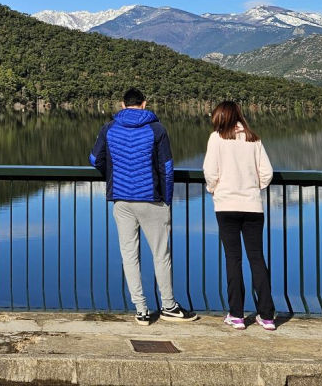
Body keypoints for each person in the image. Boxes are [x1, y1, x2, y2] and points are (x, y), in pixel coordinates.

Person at [90, 88, 197, 324]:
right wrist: (166, 200)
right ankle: (168, 305)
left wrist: (111, 176)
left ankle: (141, 310)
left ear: (122, 104)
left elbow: (95, 159)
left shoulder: (109, 128)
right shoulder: (156, 129)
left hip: (122, 200)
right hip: (151, 200)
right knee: (161, 255)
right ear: (144, 103)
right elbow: (167, 168)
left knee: (129, 255)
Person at [204, 100, 276, 330]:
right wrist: (254, 188)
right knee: (256, 258)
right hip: (252, 206)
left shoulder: (216, 139)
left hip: (226, 206)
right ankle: (267, 316)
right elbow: (267, 173)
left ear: (221, 117)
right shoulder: (253, 139)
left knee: (233, 259)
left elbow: (210, 172)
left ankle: (236, 314)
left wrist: (214, 188)